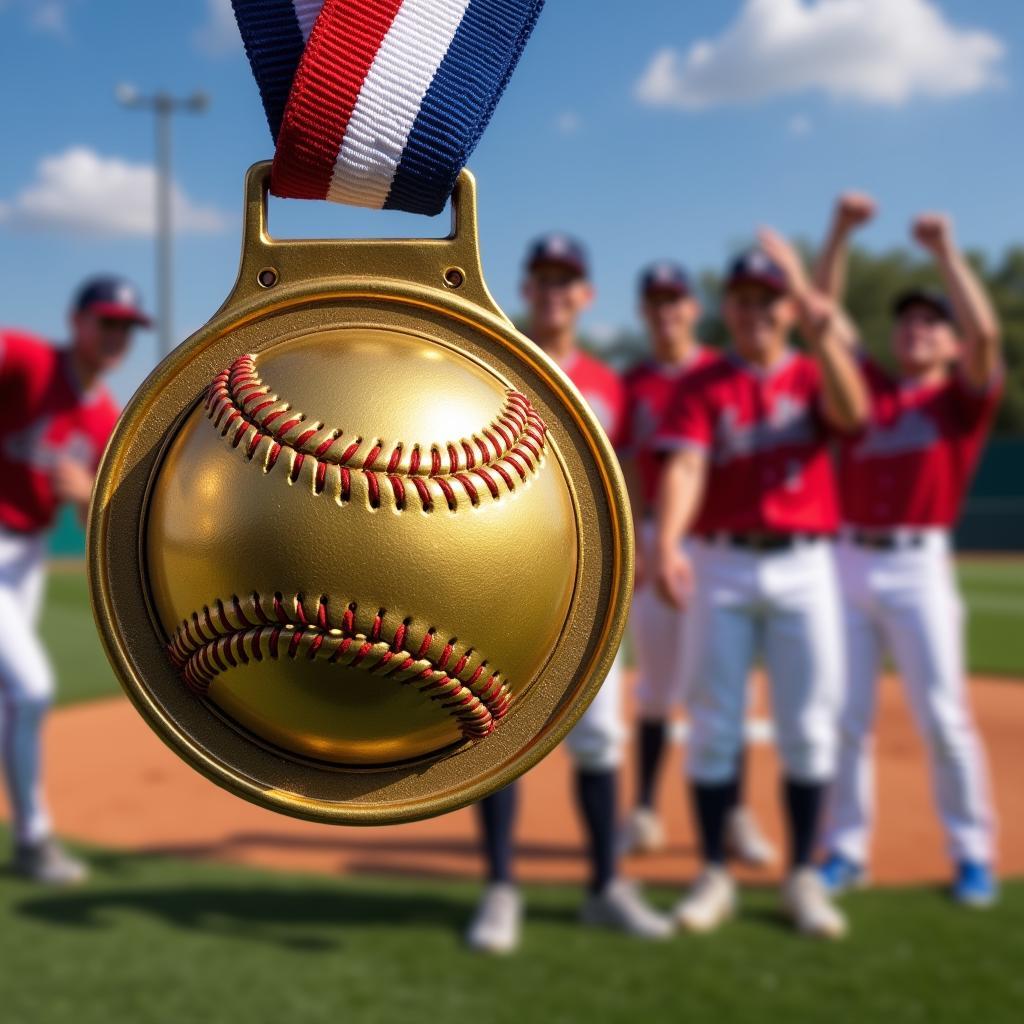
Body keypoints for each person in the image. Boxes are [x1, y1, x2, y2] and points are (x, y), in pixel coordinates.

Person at [653, 231, 868, 939]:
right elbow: (684, 468)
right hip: (720, 559)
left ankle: (801, 877)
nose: (756, 313)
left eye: (768, 301)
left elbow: (855, 412)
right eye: (744, 300)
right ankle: (713, 871)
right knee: (714, 725)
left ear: (786, 308)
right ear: (728, 308)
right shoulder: (702, 385)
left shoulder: (811, 374)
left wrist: (815, 314)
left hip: (807, 563)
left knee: (809, 727)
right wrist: (674, 539)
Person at [466, 235, 673, 953]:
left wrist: (643, 544)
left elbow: (626, 478)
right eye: (544, 279)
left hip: (588, 585)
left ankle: (605, 886)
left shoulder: (609, 384)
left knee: (600, 737)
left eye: (568, 281)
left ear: (586, 295)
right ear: (526, 289)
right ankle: (500, 887)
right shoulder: (495, 359)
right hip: (500, 581)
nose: (555, 292)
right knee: (495, 734)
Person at [814, 195, 1003, 908]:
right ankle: (846, 848)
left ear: (948, 344)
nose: (918, 328)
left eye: (932, 322)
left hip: (919, 565)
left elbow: (985, 332)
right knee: (846, 718)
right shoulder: (873, 391)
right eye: (909, 320)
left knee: (944, 717)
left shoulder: (960, 403)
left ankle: (972, 853)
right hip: (847, 562)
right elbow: (823, 319)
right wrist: (837, 233)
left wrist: (946, 251)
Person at [617, 262, 775, 868]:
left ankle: (734, 814)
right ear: (644, 312)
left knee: (726, 688)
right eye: (655, 302)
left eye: (676, 301)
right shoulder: (635, 383)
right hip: (658, 536)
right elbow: (628, 468)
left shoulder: (722, 374)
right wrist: (640, 543)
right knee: (656, 688)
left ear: (694, 309)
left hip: (719, 544)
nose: (666, 312)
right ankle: (646, 811)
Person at [0, 276, 148, 883]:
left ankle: (30, 838)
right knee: (31, 690)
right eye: (105, 321)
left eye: (125, 327)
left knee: (12, 703)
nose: (116, 335)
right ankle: (34, 839)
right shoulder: (30, 362)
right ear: (76, 321)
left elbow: (92, 521)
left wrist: (88, 494)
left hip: (27, 555)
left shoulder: (102, 413)